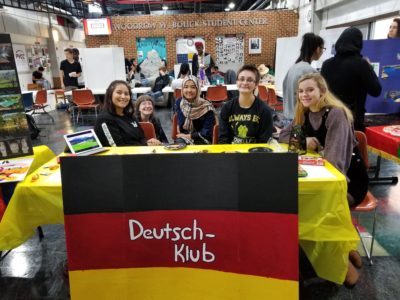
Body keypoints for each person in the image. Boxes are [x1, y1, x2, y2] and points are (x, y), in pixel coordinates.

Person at [279, 73, 368, 287]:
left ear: (322, 91)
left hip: (346, 180)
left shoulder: (336, 114)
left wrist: (316, 148)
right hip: (318, 176)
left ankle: (344, 266)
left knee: (318, 208)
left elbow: (336, 164)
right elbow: (283, 136)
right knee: (302, 203)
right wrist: (303, 139)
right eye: (301, 91)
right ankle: (347, 248)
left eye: (310, 90)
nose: (304, 95)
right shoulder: (304, 113)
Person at [321, 27, 382, 131]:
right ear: (359, 44)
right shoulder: (361, 64)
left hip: (328, 116)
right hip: (352, 119)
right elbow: (376, 90)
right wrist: (369, 67)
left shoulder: (326, 64)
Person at [219, 64, 274, 144]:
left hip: (255, 154)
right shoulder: (227, 108)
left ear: (256, 84)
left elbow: (264, 142)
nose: (245, 83)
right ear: (237, 82)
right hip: (231, 153)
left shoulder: (265, 110)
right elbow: (223, 140)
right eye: (241, 79)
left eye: (250, 80)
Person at [94, 80, 159, 147]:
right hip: (120, 157)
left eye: (126, 94)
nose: (123, 97)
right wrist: (145, 145)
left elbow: (141, 138)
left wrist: (148, 142)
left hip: (139, 154)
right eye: (119, 93)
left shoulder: (130, 116)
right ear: (110, 95)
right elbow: (117, 148)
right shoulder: (104, 119)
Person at [283, 33, 325, 123]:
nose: (322, 52)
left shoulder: (293, 67)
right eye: (323, 49)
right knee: (300, 137)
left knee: (291, 137)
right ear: (318, 49)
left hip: (288, 117)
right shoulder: (310, 71)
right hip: (299, 119)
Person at [175, 75, 216, 144]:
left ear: (198, 89)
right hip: (183, 139)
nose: (189, 90)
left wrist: (188, 136)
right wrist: (178, 126)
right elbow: (179, 122)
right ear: (182, 89)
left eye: (193, 87)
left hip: (202, 140)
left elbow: (206, 133)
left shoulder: (206, 107)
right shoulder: (179, 102)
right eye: (186, 87)